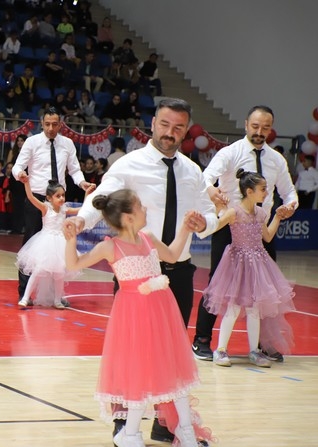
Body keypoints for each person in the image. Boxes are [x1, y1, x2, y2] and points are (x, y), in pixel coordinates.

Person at [64, 98, 218, 445]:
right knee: (131, 352)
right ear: (153, 123)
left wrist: (202, 222)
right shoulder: (130, 164)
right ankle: (124, 425)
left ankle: (168, 425)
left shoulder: (192, 170)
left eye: (178, 127)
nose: (170, 133)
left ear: (186, 130)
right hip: (135, 277)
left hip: (176, 270)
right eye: (165, 125)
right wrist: (81, 221)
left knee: (171, 353)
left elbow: (208, 213)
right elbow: (101, 196)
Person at [64, 189, 212, 447]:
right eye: (140, 207)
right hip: (134, 317)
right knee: (140, 371)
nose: (145, 210)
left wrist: (185, 230)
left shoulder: (148, 237)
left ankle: (185, 431)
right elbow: (74, 264)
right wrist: (70, 239)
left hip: (162, 312)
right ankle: (130, 433)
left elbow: (173, 256)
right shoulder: (110, 246)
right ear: (128, 217)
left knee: (171, 369)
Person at [192, 105, 298, 362]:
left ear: (271, 128)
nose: (260, 132)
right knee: (218, 286)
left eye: (265, 127)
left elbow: (289, 191)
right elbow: (206, 177)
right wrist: (212, 193)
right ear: (246, 124)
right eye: (255, 126)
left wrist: (290, 205)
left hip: (260, 229)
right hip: (232, 227)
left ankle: (263, 344)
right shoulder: (230, 152)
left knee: (265, 290)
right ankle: (202, 340)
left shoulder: (276, 159)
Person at [205, 169, 295, 368]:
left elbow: (268, 237)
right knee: (234, 307)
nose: (265, 192)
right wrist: (216, 207)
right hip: (238, 264)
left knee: (255, 308)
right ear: (249, 191)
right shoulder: (234, 212)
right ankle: (220, 350)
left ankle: (254, 350)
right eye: (262, 189)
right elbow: (215, 226)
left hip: (258, 264)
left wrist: (278, 218)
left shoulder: (261, 212)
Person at [12, 108, 93, 304]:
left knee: (59, 249)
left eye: (55, 124)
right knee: (31, 245)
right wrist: (20, 175)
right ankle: (25, 293)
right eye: (47, 124)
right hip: (38, 198)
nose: (50, 128)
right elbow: (17, 166)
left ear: (60, 124)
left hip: (59, 200)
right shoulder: (32, 142)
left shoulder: (67, 143)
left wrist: (82, 183)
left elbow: (74, 169)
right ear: (42, 123)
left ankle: (57, 295)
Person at [18, 179, 89, 309]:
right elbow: (30, 197)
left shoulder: (64, 209)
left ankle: (57, 300)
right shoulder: (46, 208)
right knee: (38, 270)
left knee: (59, 273)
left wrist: (87, 193)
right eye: (58, 196)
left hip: (61, 243)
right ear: (49, 198)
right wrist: (26, 183)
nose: (61, 198)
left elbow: (83, 208)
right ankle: (25, 298)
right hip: (45, 243)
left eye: (63, 195)